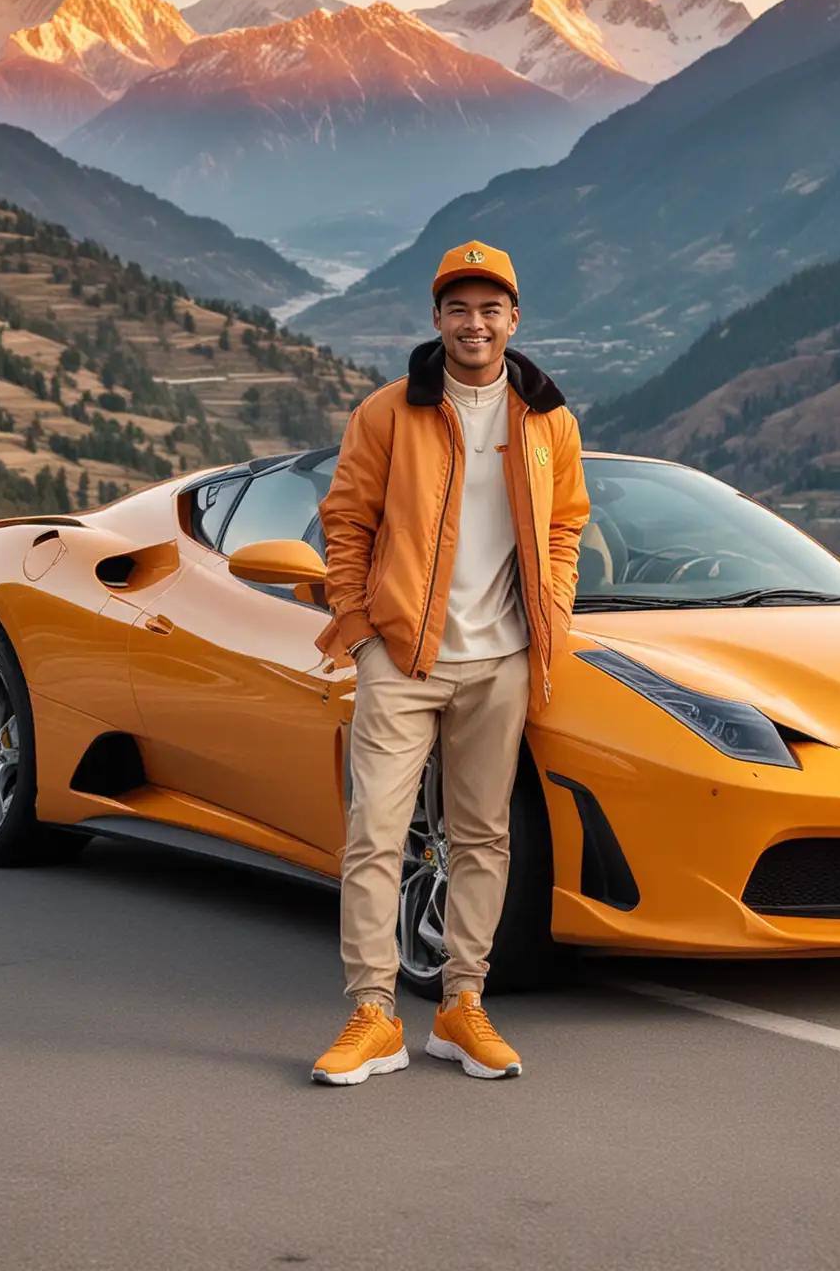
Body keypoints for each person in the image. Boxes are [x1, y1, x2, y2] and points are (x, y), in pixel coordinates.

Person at [310, 241, 589, 1085]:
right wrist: (360, 629)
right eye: (458, 308)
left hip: (502, 661)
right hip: (401, 658)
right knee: (375, 834)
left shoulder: (549, 421)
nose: (475, 323)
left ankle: (462, 1005)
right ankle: (374, 1014)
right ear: (436, 320)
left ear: (514, 318)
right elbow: (346, 523)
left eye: (490, 307)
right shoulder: (389, 412)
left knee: (482, 838)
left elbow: (566, 526)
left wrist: (556, 614)